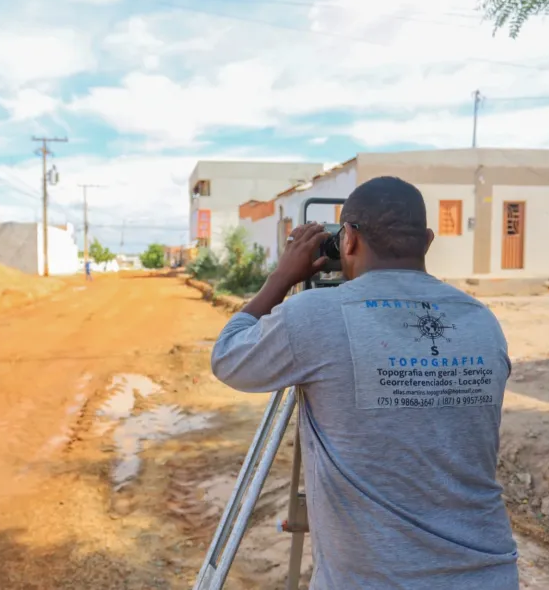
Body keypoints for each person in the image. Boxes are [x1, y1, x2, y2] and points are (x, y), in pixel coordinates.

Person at [211, 176, 518, 590]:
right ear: (426, 241)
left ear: (348, 240)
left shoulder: (315, 315)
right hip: (489, 574)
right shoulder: (482, 320)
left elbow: (229, 357)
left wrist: (282, 277)